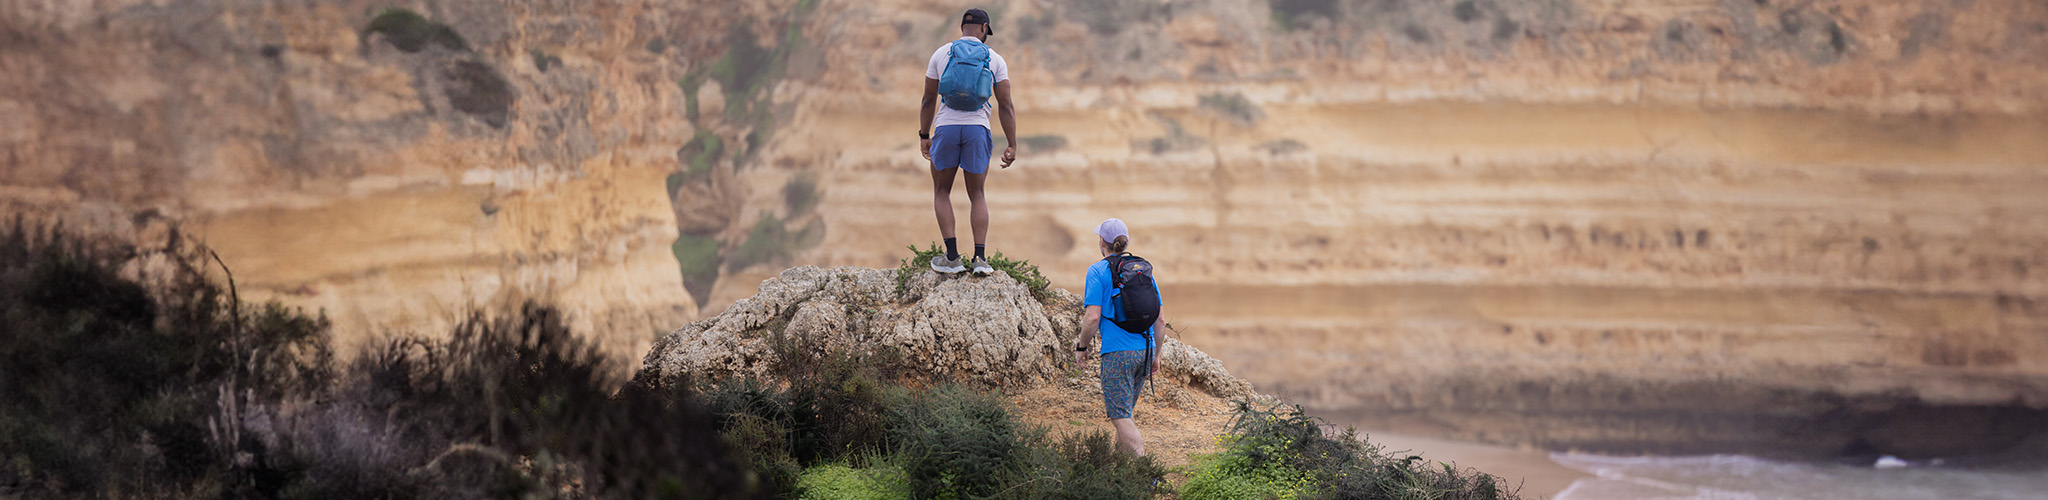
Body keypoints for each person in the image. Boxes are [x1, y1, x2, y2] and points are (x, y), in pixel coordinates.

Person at [919, 8, 1017, 276]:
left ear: (962, 27)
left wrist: (924, 135)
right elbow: (1005, 106)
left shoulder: (942, 54)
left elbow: (928, 99)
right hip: (977, 129)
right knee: (977, 194)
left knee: (941, 192)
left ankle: (952, 258)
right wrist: (1012, 144)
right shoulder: (995, 59)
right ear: (984, 28)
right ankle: (981, 259)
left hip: (947, 129)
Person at [1072, 218, 1165, 457]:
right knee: (1125, 413)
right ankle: (1123, 476)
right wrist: (1156, 354)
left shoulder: (1097, 271)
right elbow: (1160, 319)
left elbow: (1092, 317)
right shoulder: (1142, 269)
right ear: (1125, 243)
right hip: (1145, 348)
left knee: (1119, 416)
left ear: (1102, 242)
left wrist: (1082, 346)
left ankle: (1144, 469)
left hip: (1117, 354)